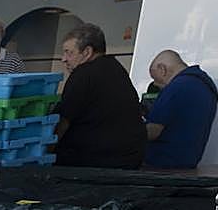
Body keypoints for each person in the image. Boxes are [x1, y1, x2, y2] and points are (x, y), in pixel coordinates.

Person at [54, 24, 145, 169]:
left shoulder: (83, 74)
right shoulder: (116, 68)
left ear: (87, 52)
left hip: (95, 160)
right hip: (131, 157)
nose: (63, 59)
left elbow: (63, 122)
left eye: (68, 52)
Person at [144, 50, 218, 170]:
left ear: (162, 69)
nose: (156, 85)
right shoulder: (207, 85)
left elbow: (153, 131)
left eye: (155, 79)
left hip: (160, 165)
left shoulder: (175, 88)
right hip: (189, 164)